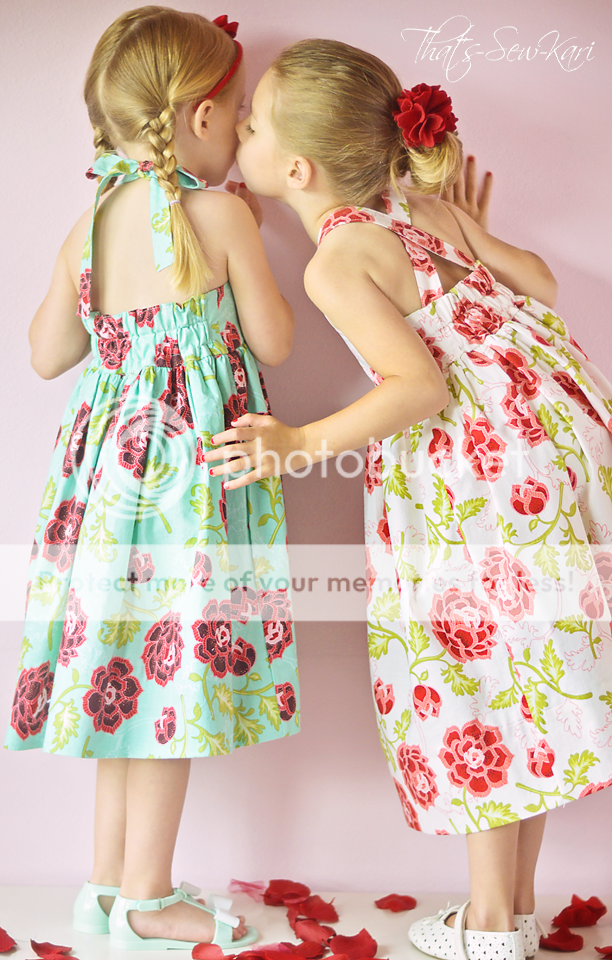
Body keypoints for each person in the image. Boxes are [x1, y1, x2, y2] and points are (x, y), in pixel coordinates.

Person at [205, 38, 612, 960]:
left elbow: (418, 387)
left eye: (253, 125)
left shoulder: (337, 260)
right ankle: (512, 909)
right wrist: (472, 232)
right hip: (554, 439)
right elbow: (541, 286)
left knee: (477, 683)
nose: (241, 132)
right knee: (522, 676)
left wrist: (298, 444)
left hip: (478, 478)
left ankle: (490, 926)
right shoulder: (419, 208)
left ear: (297, 171)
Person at [3, 7, 299, 951]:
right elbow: (275, 342)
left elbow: (47, 354)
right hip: (185, 495)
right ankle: (146, 898)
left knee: (122, 684)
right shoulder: (219, 215)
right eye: (238, 112)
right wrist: (253, 234)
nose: (240, 128)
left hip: (106, 489)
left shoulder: (90, 225)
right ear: (202, 118)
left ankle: (102, 889)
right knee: (168, 694)